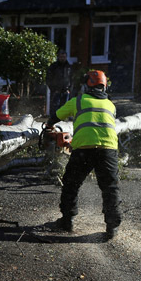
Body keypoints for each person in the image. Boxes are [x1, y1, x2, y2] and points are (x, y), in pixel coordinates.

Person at [45, 70, 121, 241]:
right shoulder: (110, 105)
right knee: (110, 188)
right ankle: (112, 228)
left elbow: (56, 116)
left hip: (84, 149)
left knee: (71, 183)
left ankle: (68, 220)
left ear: (88, 84)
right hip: (108, 149)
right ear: (104, 86)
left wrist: (49, 125)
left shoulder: (78, 101)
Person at [46, 49, 73, 118]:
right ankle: (52, 122)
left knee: (64, 109)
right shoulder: (53, 67)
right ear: (58, 57)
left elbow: (72, 79)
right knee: (54, 108)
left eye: (64, 57)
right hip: (56, 91)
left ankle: (63, 122)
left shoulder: (69, 67)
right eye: (61, 57)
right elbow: (48, 79)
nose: (62, 58)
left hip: (65, 91)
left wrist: (69, 89)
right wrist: (53, 89)